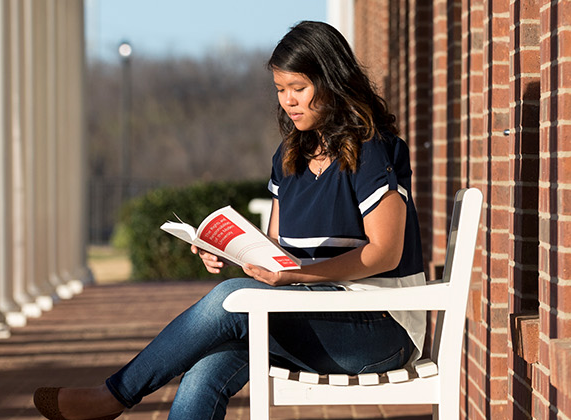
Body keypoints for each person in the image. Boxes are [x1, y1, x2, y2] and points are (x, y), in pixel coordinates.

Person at [33, 21, 428, 420]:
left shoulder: (372, 149)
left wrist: (293, 279)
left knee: (230, 299)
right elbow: (279, 253)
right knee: (207, 368)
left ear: (331, 81)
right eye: (280, 90)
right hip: (313, 314)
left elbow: (384, 254)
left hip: (379, 327)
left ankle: (114, 396)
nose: (289, 101)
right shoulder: (290, 157)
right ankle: (112, 398)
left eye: (299, 88)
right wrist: (228, 247)